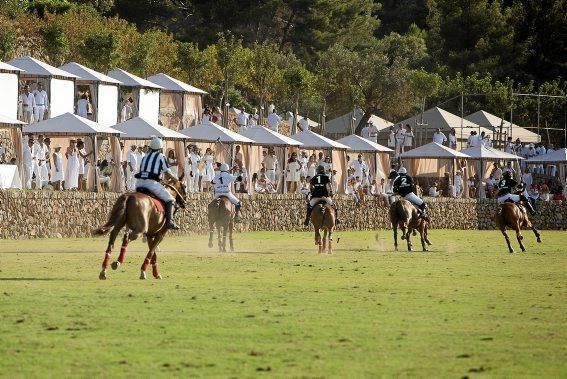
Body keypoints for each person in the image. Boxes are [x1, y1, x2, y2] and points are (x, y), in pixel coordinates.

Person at [135, 136, 180, 229]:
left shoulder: (145, 156)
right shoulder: (160, 156)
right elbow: (167, 172)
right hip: (151, 184)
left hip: (138, 183)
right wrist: (175, 179)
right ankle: (169, 222)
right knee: (170, 199)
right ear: (160, 148)